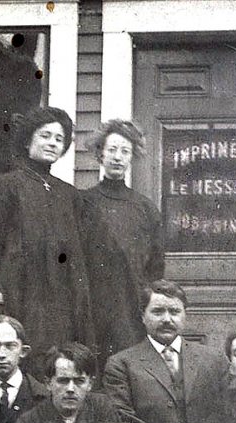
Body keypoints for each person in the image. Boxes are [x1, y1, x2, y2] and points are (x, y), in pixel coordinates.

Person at [0, 106, 95, 359]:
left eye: (59, 139)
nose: (52, 143)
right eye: (45, 135)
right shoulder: (8, 185)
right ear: (28, 139)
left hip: (64, 297)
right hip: (23, 294)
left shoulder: (69, 194)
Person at [103, 280, 228, 423]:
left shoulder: (213, 359)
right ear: (142, 316)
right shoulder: (121, 363)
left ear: (185, 315)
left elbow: (229, 410)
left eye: (174, 312)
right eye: (158, 311)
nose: (167, 319)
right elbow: (121, 416)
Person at [83, 119, 165, 358]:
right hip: (93, 305)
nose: (118, 157)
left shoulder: (145, 209)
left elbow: (156, 267)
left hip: (132, 307)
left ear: (132, 157)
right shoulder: (83, 203)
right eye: (112, 150)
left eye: (125, 151)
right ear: (100, 154)